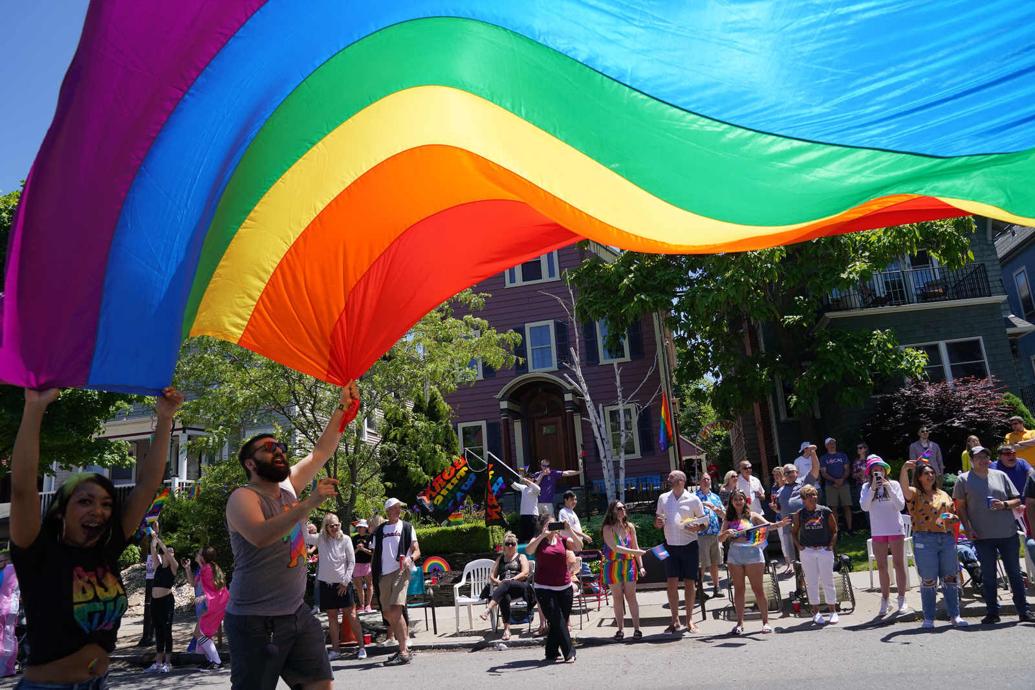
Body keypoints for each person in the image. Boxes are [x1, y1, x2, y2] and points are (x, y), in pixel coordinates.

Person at [10, 386, 183, 690]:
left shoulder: (107, 549)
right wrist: (34, 408)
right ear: (61, 511)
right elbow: (23, 487)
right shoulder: (37, 551)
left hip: (99, 683)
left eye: (106, 504)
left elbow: (147, 485)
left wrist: (165, 417)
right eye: (85, 501)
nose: (99, 511)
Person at [223, 381, 358, 690]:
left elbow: (321, 451)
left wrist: (342, 406)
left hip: (297, 613)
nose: (279, 452)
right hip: (255, 621)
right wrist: (309, 503)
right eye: (270, 449)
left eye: (281, 448)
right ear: (250, 463)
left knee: (320, 686)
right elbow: (260, 535)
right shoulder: (243, 498)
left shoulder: (287, 489)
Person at [953, 446, 1031, 624]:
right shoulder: (963, 479)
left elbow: (1018, 499)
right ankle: (992, 612)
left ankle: (1023, 611)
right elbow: (961, 507)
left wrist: (1003, 504)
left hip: (1007, 533)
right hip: (982, 536)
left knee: (1015, 574)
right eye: (978, 457)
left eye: (985, 456)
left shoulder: (1000, 476)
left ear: (989, 459)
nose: (982, 459)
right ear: (971, 460)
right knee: (988, 576)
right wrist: (968, 527)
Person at [899, 460, 967, 629]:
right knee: (928, 580)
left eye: (932, 473)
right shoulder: (915, 494)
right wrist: (904, 469)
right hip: (925, 539)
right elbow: (904, 490)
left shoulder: (943, 494)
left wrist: (951, 519)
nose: (930, 476)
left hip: (946, 539)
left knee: (950, 578)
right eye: (926, 473)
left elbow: (951, 515)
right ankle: (928, 618)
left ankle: (955, 616)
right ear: (919, 478)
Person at [719, 490, 789, 634]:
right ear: (731, 502)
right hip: (735, 554)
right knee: (739, 589)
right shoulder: (728, 518)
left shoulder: (753, 515)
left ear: (745, 501)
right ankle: (739, 623)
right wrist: (727, 533)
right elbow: (720, 538)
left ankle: (765, 622)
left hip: (753, 554)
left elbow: (769, 525)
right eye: (735, 499)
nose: (738, 502)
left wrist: (780, 524)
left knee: (758, 589)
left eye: (741, 499)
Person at [654, 470, 706, 634]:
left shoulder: (693, 499)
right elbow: (657, 522)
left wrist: (698, 527)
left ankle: (689, 620)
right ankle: (675, 620)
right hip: (669, 545)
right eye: (668, 477)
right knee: (671, 583)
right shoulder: (663, 498)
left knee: (690, 583)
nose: (668, 479)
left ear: (681, 480)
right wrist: (658, 523)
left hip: (690, 544)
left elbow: (704, 522)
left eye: (671, 477)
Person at [371, 497, 421, 666]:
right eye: (394, 508)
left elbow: (417, 550)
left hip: (400, 572)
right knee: (386, 613)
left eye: (399, 507)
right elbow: (374, 553)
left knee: (396, 610)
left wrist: (410, 559)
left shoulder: (407, 527)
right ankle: (403, 643)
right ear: (388, 511)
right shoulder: (379, 530)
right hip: (383, 574)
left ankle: (403, 650)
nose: (398, 510)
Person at [860, 455, 909, 616]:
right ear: (870, 473)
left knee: (898, 563)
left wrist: (888, 488)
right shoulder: (866, 488)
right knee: (881, 566)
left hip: (895, 528)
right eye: (874, 470)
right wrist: (873, 489)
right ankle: (885, 599)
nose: (878, 472)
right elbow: (865, 507)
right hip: (878, 531)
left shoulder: (894, 484)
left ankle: (901, 598)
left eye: (880, 469)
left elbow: (900, 506)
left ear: (885, 470)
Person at [526, 514, 577, 662]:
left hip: (565, 586)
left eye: (555, 524)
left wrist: (570, 530)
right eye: (549, 525)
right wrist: (543, 535)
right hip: (544, 587)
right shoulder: (538, 541)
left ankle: (551, 652)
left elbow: (579, 546)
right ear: (542, 526)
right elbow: (529, 551)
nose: (553, 527)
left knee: (559, 621)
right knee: (557, 619)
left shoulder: (563, 539)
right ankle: (569, 652)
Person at [315, 514, 366, 661]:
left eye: (336, 525)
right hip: (326, 584)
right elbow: (305, 536)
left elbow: (351, 562)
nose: (334, 528)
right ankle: (335, 650)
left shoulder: (346, 539)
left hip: (343, 584)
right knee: (331, 617)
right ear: (326, 527)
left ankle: (362, 647)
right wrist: (303, 515)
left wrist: (345, 582)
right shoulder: (321, 539)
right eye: (331, 526)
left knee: (352, 615)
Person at [791, 485, 839, 625]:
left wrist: (830, 546)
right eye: (810, 495)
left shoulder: (825, 511)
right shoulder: (800, 514)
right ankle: (816, 612)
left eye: (814, 494)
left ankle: (832, 611)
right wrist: (800, 547)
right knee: (811, 582)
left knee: (827, 580)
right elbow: (793, 532)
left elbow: (834, 529)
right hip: (808, 551)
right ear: (803, 499)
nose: (813, 498)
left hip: (824, 550)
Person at [600, 501, 647, 640]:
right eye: (619, 508)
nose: (622, 510)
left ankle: (637, 629)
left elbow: (635, 545)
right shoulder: (607, 528)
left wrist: (641, 566)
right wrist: (636, 552)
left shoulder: (630, 527)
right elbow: (615, 548)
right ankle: (620, 629)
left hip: (629, 564)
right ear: (612, 511)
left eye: (623, 507)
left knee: (631, 596)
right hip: (613, 564)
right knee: (617, 597)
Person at [478, 532, 533, 641]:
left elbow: (525, 573)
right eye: (508, 543)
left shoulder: (521, 557)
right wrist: (498, 582)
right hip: (505, 588)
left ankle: (488, 609)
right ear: (504, 545)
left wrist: (512, 580)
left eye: (513, 543)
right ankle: (507, 629)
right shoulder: (500, 559)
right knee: (504, 596)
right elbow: (492, 576)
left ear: (516, 544)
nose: (510, 546)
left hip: (520, 586)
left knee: (506, 583)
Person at [774, 452, 822, 575]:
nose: (789, 474)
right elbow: (779, 509)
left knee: (807, 553)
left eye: (791, 471)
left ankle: (812, 575)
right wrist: (775, 509)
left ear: (797, 472)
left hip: (804, 524)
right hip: (788, 527)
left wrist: (813, 453)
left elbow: (816, 468)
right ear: (783, 475)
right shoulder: (780, 491)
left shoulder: (804, 482)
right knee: (794, 559)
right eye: (786, 473)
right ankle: (799, 584)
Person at [145, 532, 178, 673]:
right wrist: (154, 538)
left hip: (166, 602)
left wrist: (159, 539)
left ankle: (168, 663)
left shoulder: (174, 566)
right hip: (155, 602)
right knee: (158, 631)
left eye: (172, 552)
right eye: (168, 551)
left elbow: (165, 551)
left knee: (166, 630)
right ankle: (158, 662)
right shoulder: (158, 566)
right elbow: (153, 551)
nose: (170, 553)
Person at [695, 474, 725, 597]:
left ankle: (716, 587)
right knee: (702, 563)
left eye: (708, 479)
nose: (706, 481)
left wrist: (717, 510)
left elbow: (723, 515)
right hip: (701, 535)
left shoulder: (715, 497)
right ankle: (699, 589)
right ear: (699, 482)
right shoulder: (695, 498)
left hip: (715, 534)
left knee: (714, 562)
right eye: (704, 479)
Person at [820, 438, 853, 534]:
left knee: (847, 506)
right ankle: (836, 530)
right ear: (826, 446)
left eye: (833, 443)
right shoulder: (823, 458)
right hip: (831, 485)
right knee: (833, 508)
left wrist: (842, 479)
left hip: (844, 484)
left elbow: (847, 469)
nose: (832, 445)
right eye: (830, 443)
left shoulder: (842, 456)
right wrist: (835, 480)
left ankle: (850, 529)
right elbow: (823, 473)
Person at [0, 552, 20, 678]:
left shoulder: (6, 571)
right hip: (13, 608)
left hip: (3, 607)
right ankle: (8, 669)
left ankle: (2, 670)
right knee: (9, 637)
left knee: (2, 637)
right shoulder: (17, 570)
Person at [136, 533, 156, 647]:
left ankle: (150, 635)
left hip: (154, 582)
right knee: (150, 607)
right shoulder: (150, 550)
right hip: (151, 581)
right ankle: (148, 636)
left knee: (152, 609)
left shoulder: (156, 552)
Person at [352, 519, 375, 613]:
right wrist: (358, 549)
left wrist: (363, 549)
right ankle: (361, 605)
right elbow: (351, 553)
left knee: (369, 585)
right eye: (358, 527)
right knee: (359, 586)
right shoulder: (353, 538)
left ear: (365, 528)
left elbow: (372, 553)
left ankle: (368, 605)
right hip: (356, 564)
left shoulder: (370, 537)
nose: (359, 529)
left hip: (367, 563)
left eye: (361, 527)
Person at [512, 470, 541, 542]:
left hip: (533, 516)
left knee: (532, 537)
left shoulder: (535, 488)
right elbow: (514, 485)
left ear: (533, 479)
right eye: (527, 478)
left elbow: (538, 489)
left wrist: (527, 480)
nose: (528, 479)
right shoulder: (523, 487)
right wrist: (508, 478)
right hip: (523, 515)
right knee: (523, 536)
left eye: (530, 478)